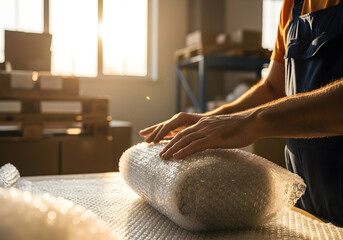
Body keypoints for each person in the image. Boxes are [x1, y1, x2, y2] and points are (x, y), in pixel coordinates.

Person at [140, 0, 343, 225]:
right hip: (308, 198)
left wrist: (250, 121)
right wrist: (211, 120)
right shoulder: (292, 5)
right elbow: (274, 88)